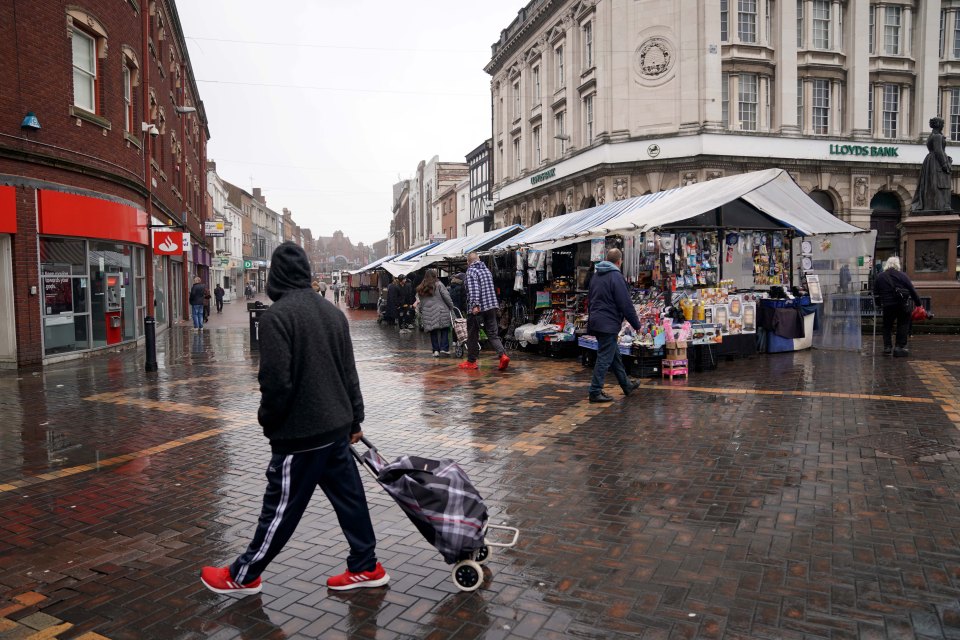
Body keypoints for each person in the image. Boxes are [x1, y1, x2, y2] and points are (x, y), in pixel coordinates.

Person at [200, 242, 388, 595]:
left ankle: (243, 576)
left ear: (276, 275)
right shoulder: (332, 313)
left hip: (301, 433)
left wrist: (269, 422)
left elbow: (275, 382)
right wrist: (355, 421)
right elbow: (350, 372)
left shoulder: (277, 318)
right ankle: (366, 565)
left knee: (280, 508)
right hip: (336, 428)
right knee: (351, 500)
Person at [587, 248, 642, 402]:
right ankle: (595, 391)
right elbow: (625, 303)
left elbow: (590, 299)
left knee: (614, 355)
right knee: (605, 357)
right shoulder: (616, 277)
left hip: (597, 321)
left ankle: (626, 385)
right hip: (608, 323)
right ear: (619, 261)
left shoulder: (596, 275)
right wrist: (636, 324)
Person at [461, 253, 509, 371]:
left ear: (468, 262)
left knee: (472, 335)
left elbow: (474, 290)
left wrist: (475, 305)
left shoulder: (471, 271)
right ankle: (503, 355)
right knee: (493, 333)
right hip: (491, 306)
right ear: (479, 259)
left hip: (478, 308)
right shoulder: (487, 270)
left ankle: (471, 362)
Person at [874, 256, 922, 357]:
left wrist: (878, 304)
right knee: (903, 324)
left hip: (887, 305)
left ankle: (887, 347)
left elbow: (876, 293)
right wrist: (918, 304)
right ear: (897, 265)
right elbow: (912, 290)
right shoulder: (903, 276)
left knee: (887, 326)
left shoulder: (880, 277)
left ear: (887, 264)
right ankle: (899, 347)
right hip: (902, 305)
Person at [417, 269, 456, 357]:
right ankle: (444, 348)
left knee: (433, 331)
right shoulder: (439, 285)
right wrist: (451, 306)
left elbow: (421, 301)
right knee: (444, 328)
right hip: (441, 310)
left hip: (427, 312)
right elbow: (446, 297)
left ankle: (435, 351)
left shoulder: (421, 287)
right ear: (435, 275)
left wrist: (421, 310)